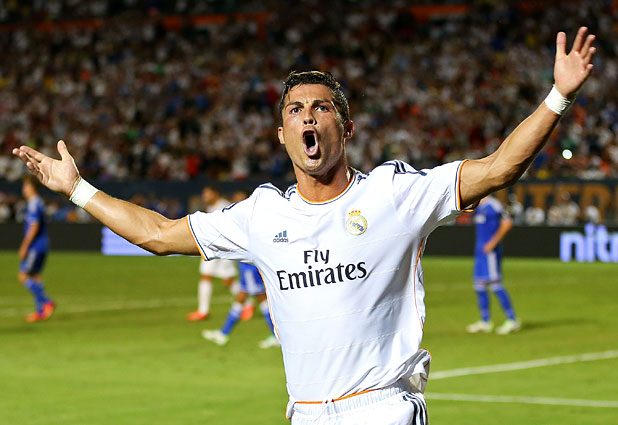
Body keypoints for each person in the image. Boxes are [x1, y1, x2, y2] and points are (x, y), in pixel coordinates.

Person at [12, 27, 595, 424]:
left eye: (321, 107)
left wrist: (558, 97)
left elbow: (498, 168)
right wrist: (78, 189)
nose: (307, 117)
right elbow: (158, 235)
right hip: (306, 412)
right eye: (295, 110)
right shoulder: (261, 215)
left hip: (382, 408)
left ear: (346, 128)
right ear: (282, 135)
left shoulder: (394, 193)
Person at [467, 196, 520, 335]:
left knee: (496, 285)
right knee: (479, 285)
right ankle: (485, 322)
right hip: (481, 253)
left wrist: (493, 243)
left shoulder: (494, 206)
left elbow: (507, 223)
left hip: (490, 253)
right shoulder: (479, 206)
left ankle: (512, 320)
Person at [186, 186, 240, 321]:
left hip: (223, 248)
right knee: (211, 276)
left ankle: (246, 304)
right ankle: (203, 310)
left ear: (215, 194)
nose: (205, 197)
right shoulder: (212, 207)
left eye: (207, 194)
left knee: (224, 279)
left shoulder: (223, 206)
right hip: (214, 247)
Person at [202, 261, 280, 349]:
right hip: (247, 267)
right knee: (243, 297)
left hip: (249, 268)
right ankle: (223, 333)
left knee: (260, 297)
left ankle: (277, 336)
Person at [18, 175, 56, 323]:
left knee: (23, 276)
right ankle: (41, 312)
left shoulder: (33, 203)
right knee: (35, 277)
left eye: (25, 186)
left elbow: (34, 226)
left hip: (35, 246)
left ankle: (46, 302)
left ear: (32, 188)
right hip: (42, 244)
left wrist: (25, 245)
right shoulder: (38, 202)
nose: (24, 189)